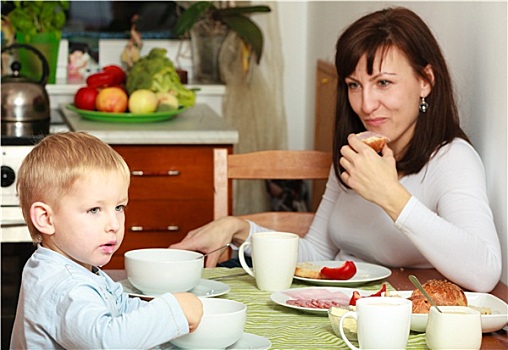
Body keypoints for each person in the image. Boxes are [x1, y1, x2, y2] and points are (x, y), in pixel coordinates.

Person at [171, 7, 502, 293]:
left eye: (383, 83)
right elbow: (316, 253)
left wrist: (390, 195)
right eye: (354, 85)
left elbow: (485, 272)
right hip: (336, 311)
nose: (366, 105)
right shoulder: (359, 150)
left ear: (425, 81)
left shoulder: (451, 159)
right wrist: (238, 229)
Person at [11, 132, 203, 349]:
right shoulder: (64, 286)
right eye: (94, 210)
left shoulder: (72, 265)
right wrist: (171, 312)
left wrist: (162, 313)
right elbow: (108, 341)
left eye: (119, 207)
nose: (114, 224)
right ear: (46, 219)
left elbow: (120, 306)